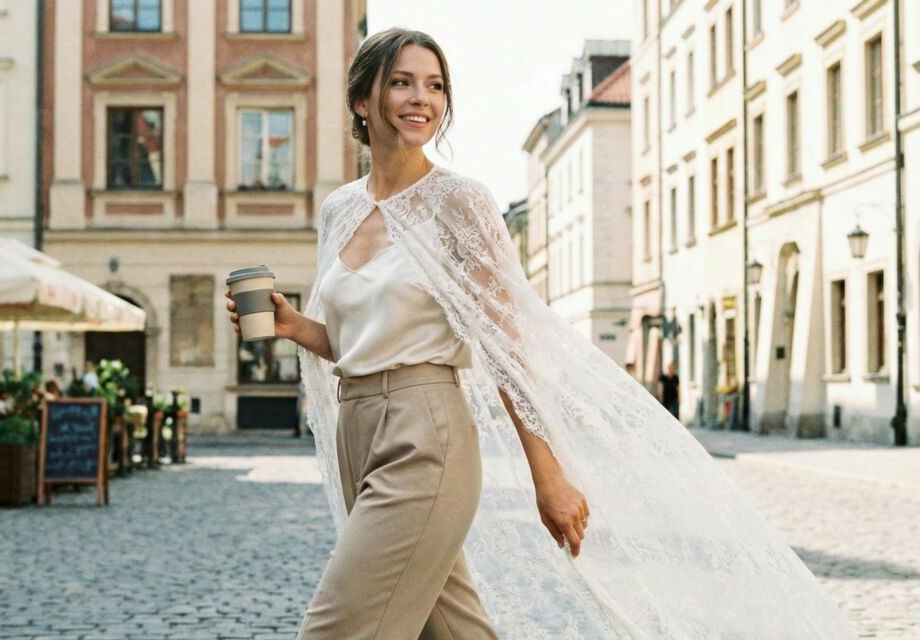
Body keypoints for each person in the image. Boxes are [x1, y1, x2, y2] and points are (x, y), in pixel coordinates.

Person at [226, 28, 855, 640]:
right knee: (452, 629)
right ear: (363, 101)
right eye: (402, 83)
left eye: (436, 85)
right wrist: (294, 326)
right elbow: (356, 341)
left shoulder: (459, 203)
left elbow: (507, 348)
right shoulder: (340, 207)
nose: (422, 98)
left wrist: (546, 474)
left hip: (428, 435)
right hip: (358, 429)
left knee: (338, 630)